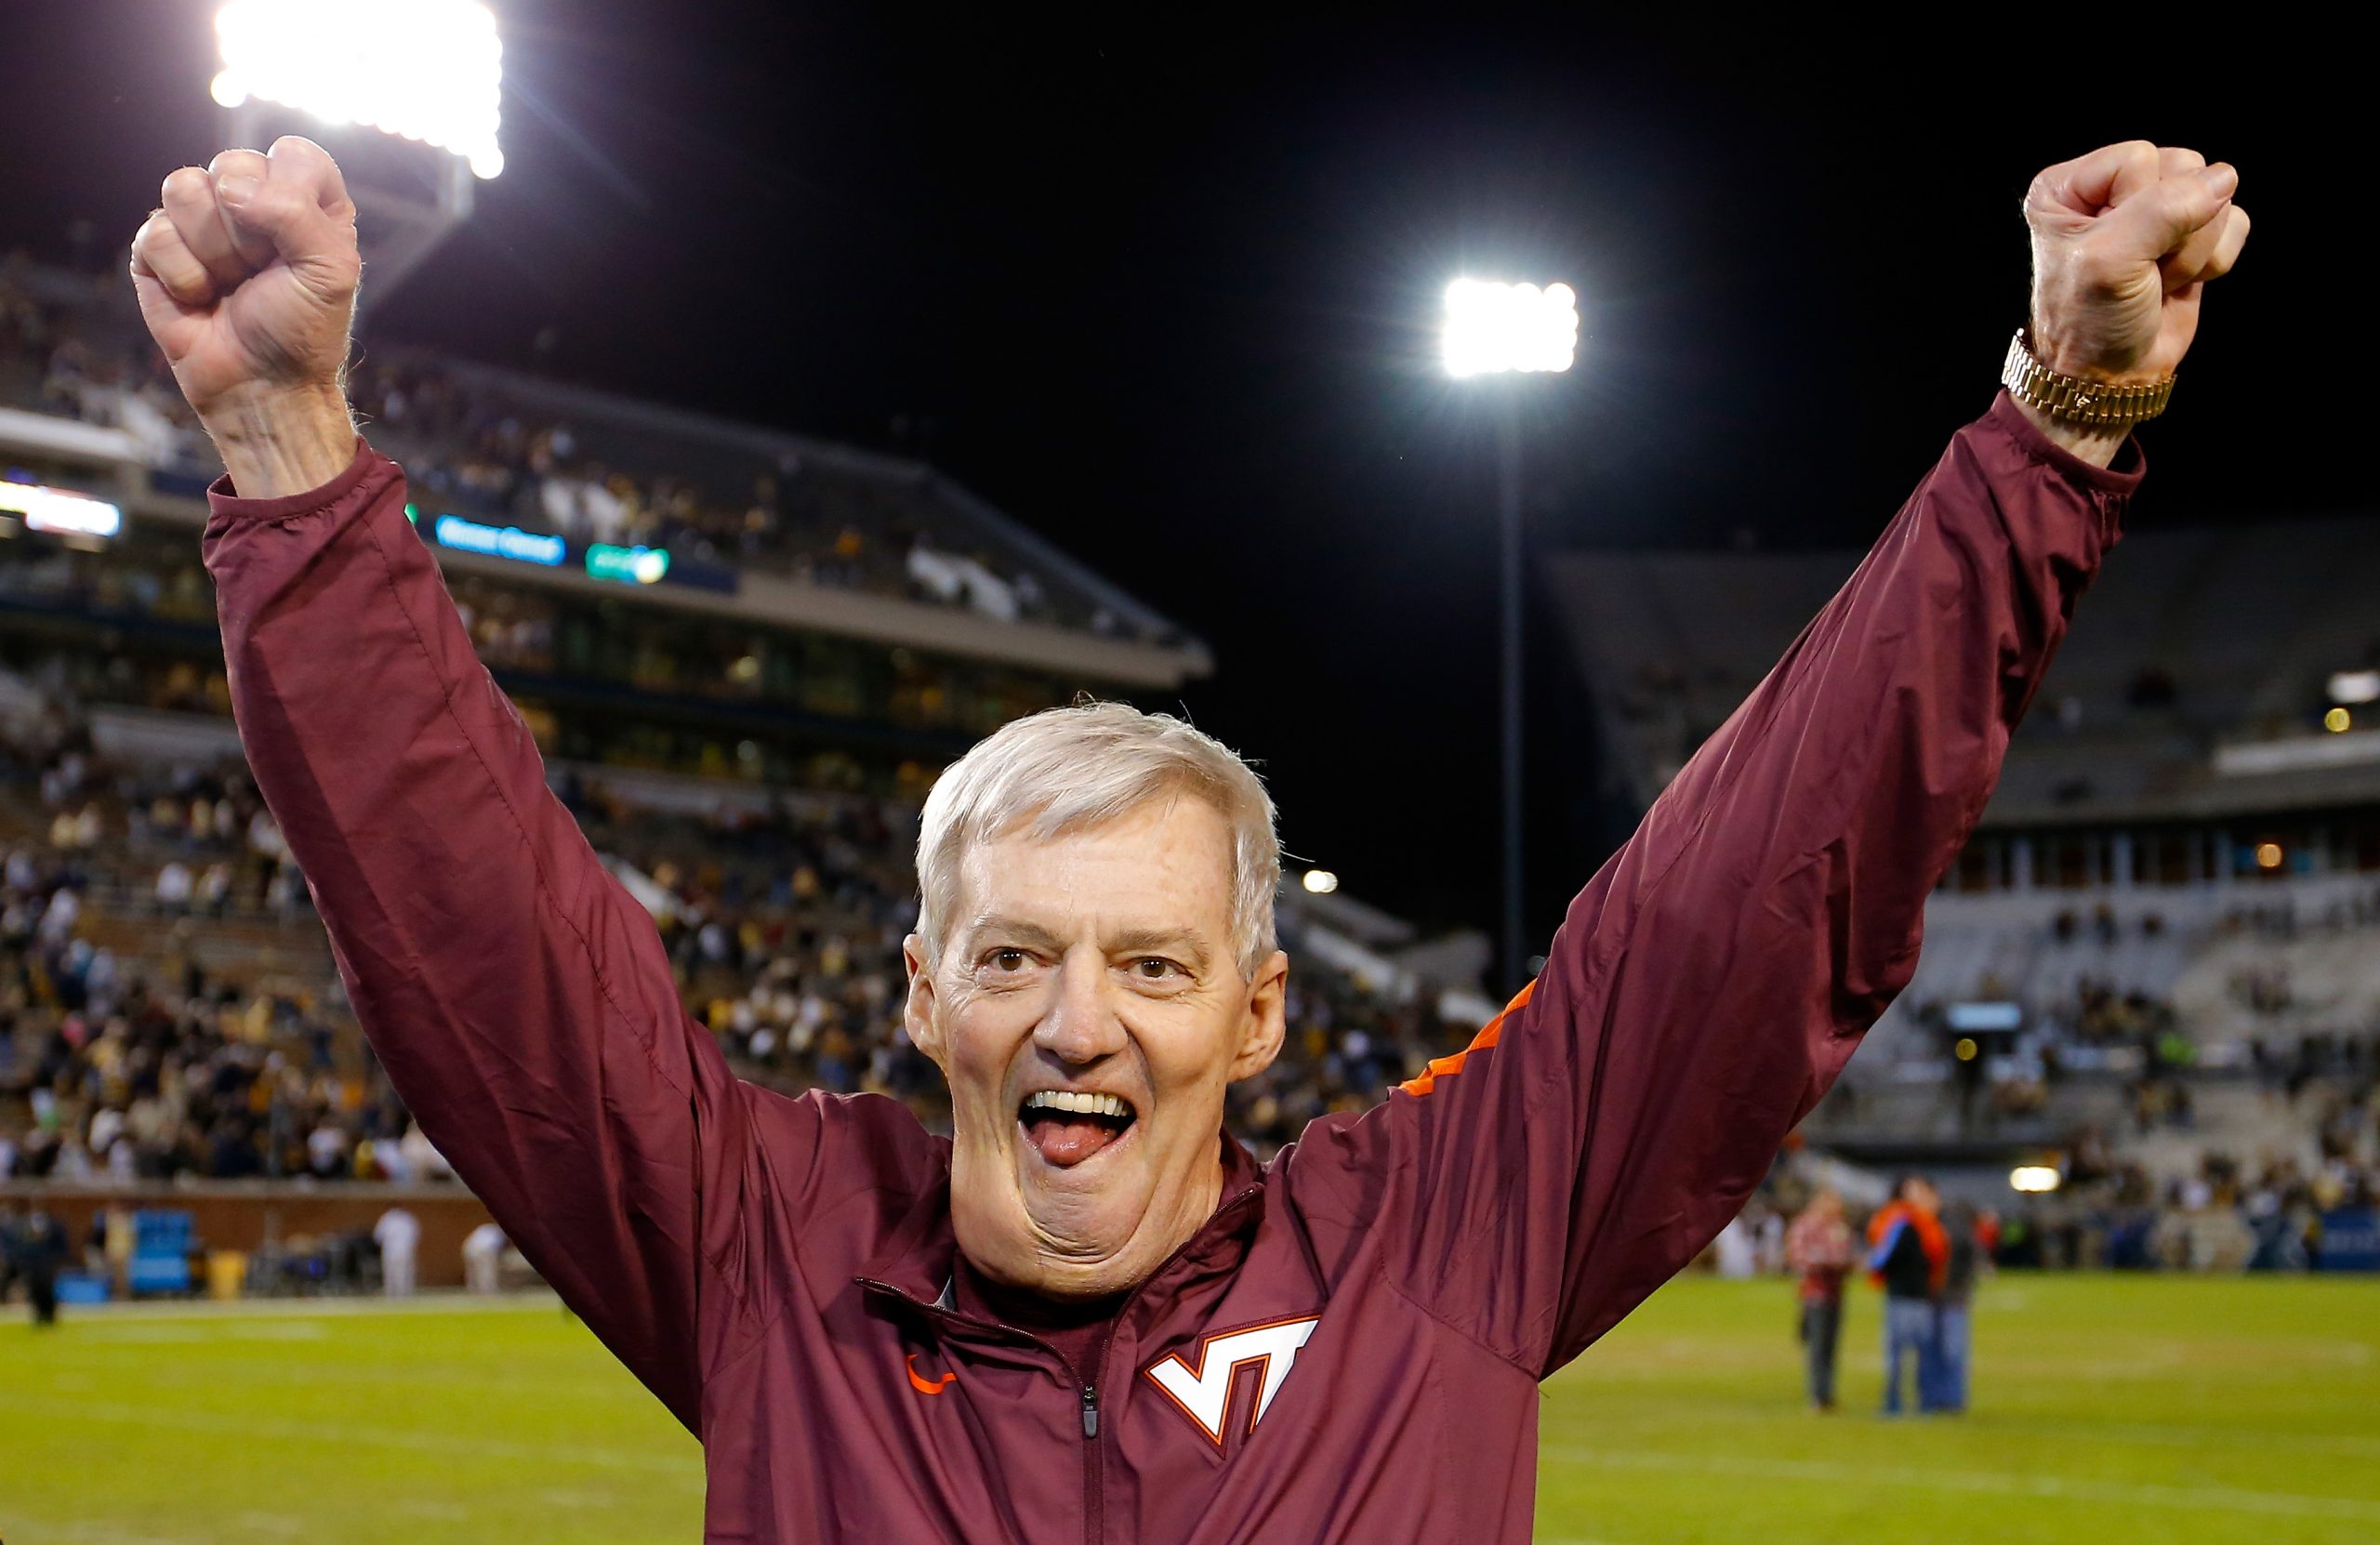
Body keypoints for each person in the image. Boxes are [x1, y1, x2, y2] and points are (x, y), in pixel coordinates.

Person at [128, 128, 2245, 1541]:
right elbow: (475, 928)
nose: (1078, 1022)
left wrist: (2050, 438)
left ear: (1250, 1012)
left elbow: (1748, 893)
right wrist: (288, 456)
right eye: (1016, 952)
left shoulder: (1440, 1237)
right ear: (924, 993)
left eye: (1148, 964)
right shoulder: (765, 1246)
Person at [1867, 1174, 1950, 1415]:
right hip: (1911, 1294)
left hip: (1908, 1295)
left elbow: (1882, 1257)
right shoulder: (1908, 1222)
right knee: (1914, 1354)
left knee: (1904, 1354)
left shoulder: (1916, 1222)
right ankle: (1915, 1403)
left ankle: (1904, 1403)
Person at [1784, 1189, 1856, 1411]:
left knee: (1830, 1345)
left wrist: (1841, 1262)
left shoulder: (1839, 1226)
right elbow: (1797, 1257)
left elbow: (1846, 1252)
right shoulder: (1805, 1225)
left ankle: (1828, 1393)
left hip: (1836, 1291)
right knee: (1817, 1344)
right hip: (1814, 1292)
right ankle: (1817, 1394)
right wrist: (1825, 1261)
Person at [1930, 1199, 1987, 1413]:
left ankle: (1949, 1398)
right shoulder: (1934, 1226)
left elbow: (1970, 1259)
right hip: (1945, 1295)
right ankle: (1946, 1398)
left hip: (1950, 1296)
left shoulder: (1954, 1230)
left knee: (1949, 1350)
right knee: (1946, 1350)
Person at [373, 1207, 420, 1299]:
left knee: (391, 1274)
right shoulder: (408, 1219)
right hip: (406, 1251)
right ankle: (405, 1296)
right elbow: (416, 1235)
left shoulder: (386, 1219)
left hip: (390, 1252)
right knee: (405, 1274)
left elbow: (377, 1237)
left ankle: (392, 1296)